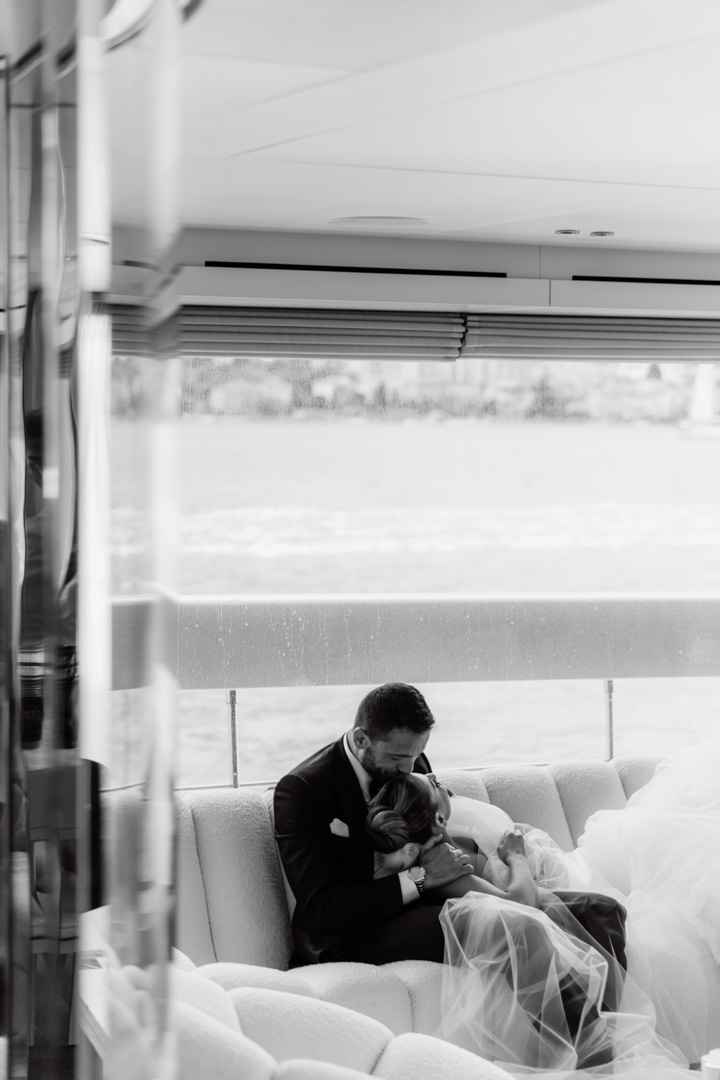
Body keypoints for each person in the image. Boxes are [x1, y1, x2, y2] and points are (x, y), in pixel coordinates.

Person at [366, 750, 720, 1078]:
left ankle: (604, 1029)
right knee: (569, 921)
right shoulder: (439, 857)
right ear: (440, 817)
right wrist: (516, 857)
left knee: (606, 910)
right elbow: (519, 902)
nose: (437, 780)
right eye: (434, 785)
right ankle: (590, 1050)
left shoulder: (440, 841)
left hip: (506, 899)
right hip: (505, 908)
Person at [273, 683, 626, 983]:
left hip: (428, 904)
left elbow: (436, 839)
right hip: (355, 933)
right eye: (397, 758)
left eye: (417, 755)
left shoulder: (411, 761)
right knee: (515, 926)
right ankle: (580, 1044)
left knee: (603, 911)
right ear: (362, 738)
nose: (409, 768)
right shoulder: (304, 790)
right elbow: (321, 909)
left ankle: (611, 1034)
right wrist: (421, 878)